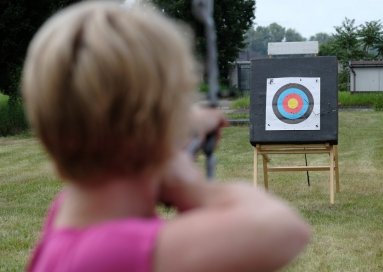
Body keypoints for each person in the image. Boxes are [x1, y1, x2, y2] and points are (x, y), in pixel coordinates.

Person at [22, 1, 311, 271]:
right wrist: (193, 187)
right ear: (154, 132)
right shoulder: (113, 252)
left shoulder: (69, 216)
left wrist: (174, 130)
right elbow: (285, 229)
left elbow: (121, 137)